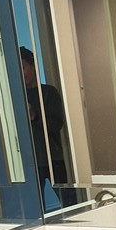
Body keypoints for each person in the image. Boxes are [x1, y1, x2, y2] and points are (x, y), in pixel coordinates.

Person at [19, 47, 69, 197]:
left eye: (23, 67)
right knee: (33, 205)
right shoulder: (17, 96)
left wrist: (34, 117)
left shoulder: (49, 92)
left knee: (68, 201)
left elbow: (56, 125)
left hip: (53, 158)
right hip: (29, 162)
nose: (22, 73)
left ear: (33, 66)